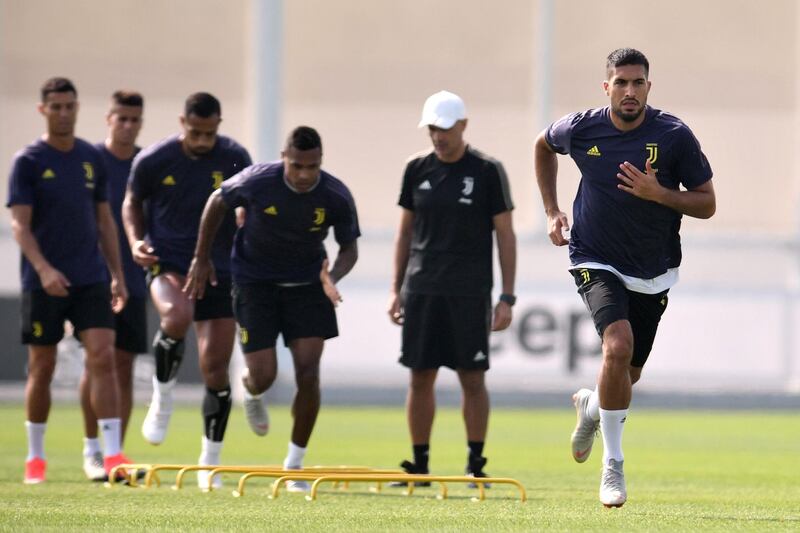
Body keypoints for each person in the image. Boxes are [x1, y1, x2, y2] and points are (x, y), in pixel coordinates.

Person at [533, 48, 716, 507]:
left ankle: (592, 407)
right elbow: (542, 145)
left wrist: (660, 193)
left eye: (637, 83)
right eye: (621, 83)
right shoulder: (581, 128)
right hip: (594, 257)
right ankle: (612, 465)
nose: (629, 91)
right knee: (616, 346)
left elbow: (707, 202)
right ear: (607, 87)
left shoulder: (674, 135)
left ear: (648, 87)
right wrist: (553, 210)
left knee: (625, 375)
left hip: (653, 269)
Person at [185, 125, 360, 493]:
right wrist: (202, 258)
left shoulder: (335, 195)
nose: (303, 175)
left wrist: (334, 276)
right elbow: (217, 202)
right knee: (264, 374)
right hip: (255, 285)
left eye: (311, 167)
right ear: (284, 158)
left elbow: (349, 249)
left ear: (320, 164)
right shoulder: (256, 181)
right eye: (296, 166)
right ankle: (250, 389)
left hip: (308, 287)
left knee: (308, 373)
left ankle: (294, 464)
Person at [122, 92, 252, 490]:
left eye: (209, 133)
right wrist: (134, 240)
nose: (201, 140)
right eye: (195, 132)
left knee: (216, 368)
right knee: (176, 317)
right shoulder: (155, 160)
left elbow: (246, 203)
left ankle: (209, 462)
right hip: (170, 261)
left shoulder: (234, 156)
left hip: (220, 268)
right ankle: (162, 399)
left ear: (219, 125)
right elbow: (131, 202)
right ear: (182, 122)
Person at [7, 77, 133, 484]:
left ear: (78, 108)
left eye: (70, 106)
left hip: (90, 278)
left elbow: (104, 222)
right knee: (41, 366)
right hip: (41, 281)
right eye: (56, 107)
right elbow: (20, 226)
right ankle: (36, 459)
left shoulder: (89, 159)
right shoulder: (27, 161)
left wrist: (117, 274)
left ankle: (110, 456)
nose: (64, 113)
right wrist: (44, 270)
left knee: (103, 356)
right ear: (44, 110)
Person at [388, 90, 517, 485]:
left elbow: (505, 236)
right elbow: (405, 233)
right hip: (422, 288)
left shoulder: (487, 171)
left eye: (444, 128)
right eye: (432, 128)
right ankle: (419, 464)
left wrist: (506, 297)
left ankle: (475, 463)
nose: (438, 136)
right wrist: (397, 289)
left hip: (469, 291)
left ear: (462, 126)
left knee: (472, 377)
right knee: (419, 375)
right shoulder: (416, 168)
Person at [77, 90, 148, 482]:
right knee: (97, 360)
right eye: (121, 118)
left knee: (124, 364)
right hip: (93, 279)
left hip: (135, 280)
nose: (127, 125)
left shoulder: (145, 163)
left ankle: (114, 454)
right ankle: (92, 449)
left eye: (134, 119)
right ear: (108, 118)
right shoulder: (90, 161)